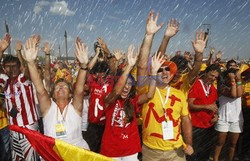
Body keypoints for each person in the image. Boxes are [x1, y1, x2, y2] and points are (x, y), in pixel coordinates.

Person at [137, 11, 193, 161]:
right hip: (151, 151)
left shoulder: (179, 94)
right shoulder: (146, 87)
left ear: (173, 74)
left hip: (176, 150)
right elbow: (143, 65)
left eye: (167, 70)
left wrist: (189, 143)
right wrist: (151, 36)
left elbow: (186, 119)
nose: (164, 72)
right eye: (160, 70)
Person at [22, 36, 89, 149]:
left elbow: (79, 90)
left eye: (64, 87)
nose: (61, 87)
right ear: (52, 95)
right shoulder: (48, 108)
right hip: (52, 153)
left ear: (70, 94)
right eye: (57, 87)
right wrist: (30, 63)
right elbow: (40, 90)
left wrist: (83, 66)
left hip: (76, 153)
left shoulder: (75, 108)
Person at [0, 34, 40, 160]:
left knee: (31, 158)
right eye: (7, 66)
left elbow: (29, 72)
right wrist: (0, 51)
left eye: (14, 66)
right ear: (3, 68)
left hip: (29, 129)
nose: (11, 69)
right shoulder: (4, 81)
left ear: (19, 67)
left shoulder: (24, 79)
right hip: (13, 129)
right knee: (16, 158)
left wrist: (29, 59)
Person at [187, 64, 221, 161]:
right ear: (206, 73)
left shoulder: (213, 88)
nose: (213, 78)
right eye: (211, 75)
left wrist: (216, 115)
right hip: (195, 126)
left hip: (208, 125)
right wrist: (205, 107)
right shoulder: (196, 84)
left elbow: (214, 105)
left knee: (205, 153)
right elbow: (190, 104)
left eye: (215, 77)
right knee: (192, 153)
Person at [213, 60, 243, 161]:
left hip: (236, 118)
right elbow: (234, 95)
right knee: (220, 142)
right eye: (230, 66)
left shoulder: (239, 84)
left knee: (233, 144)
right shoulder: (222, 86)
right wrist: (234, 80)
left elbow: (238, 94)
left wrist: (237, 80)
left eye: (235, 67)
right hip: (223, 117)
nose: (232, 69)